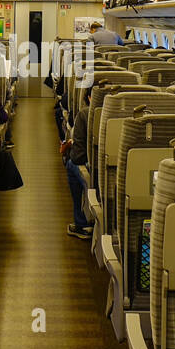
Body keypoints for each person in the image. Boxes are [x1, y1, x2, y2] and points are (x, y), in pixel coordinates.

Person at [61, 87, 94, 238]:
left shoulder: (85, 114)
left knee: (70, 164)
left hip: (92, 169)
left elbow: (78, 157)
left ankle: (81, 224)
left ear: (88, 97)